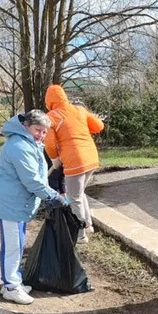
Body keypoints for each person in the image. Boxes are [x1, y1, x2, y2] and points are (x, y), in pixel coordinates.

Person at [0, 109, 68, 305]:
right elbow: (32, 180)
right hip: (10, 204)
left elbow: (37, 177)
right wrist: (52, 196)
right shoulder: (19, 146)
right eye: (38, 130)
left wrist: (51, 194)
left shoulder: (28, 143)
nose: (41, 135)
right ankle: (11, 287)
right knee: (13, 247)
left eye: (44, 132)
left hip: (16, 203)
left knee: (17, 244)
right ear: (26, 126)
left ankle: (13, 282)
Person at [44, 84, 105, 244]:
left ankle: (80, 234)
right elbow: (99, 126)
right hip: (91, 157)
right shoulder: (79, 110)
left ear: (49, 101)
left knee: (74, 198)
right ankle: (88, 225)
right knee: (79, 193)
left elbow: (49, 142)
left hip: (74, 160)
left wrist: (54, 158)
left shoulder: (52, 116)